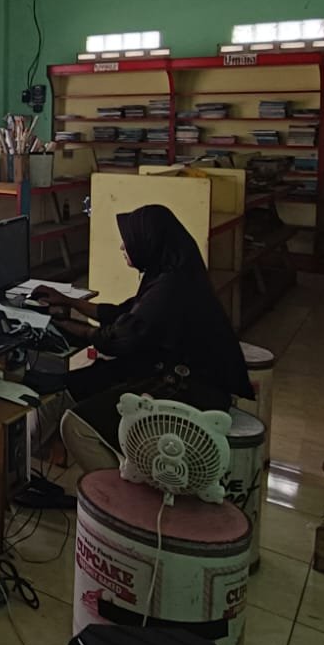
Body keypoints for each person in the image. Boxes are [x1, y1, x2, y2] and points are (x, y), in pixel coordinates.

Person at [34, 203, 254, 474]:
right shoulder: (168, 273)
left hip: (192, 387)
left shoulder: (171, 288)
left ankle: (120, 491)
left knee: (76, 424)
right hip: (172, 368)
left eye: (128, 240)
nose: (122, 247)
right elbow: (124, 313)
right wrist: (69, 302)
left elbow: (119, 339)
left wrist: (66, 325)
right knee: (78, 382)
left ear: (149, 242)